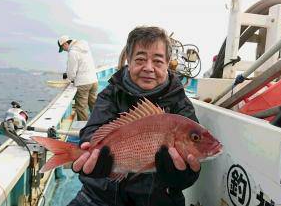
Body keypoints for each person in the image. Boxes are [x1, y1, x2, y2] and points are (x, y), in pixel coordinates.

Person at [68, 26, 201, 206]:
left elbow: (192, 167)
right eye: (140, 59)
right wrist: (93, 154)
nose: (148, 68)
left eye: (158, 61)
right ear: (128, 61)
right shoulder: (110, 94)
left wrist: (182, 175)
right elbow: (93, 131)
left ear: (168, 63)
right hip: (100, 197)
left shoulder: (181, 105)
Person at [58, 35, 98, 121]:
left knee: (81, 108)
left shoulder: (72, 52)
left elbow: (72, 72)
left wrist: (69, 78)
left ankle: (85, 130)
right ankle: (100, 125)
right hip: (94, 81)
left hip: (83, 83)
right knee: (94, 105)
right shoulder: (85, 47)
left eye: (63, 48)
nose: (64, 50)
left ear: (65, 43)